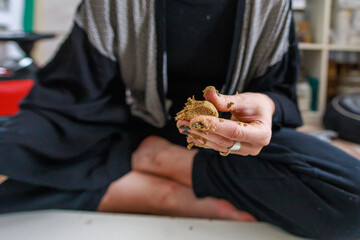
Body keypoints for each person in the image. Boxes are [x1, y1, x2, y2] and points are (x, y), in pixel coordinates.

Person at [0, 0, 359, 239]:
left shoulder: (268, 5)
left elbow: (279, 95)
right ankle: (144, 192)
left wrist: (265, 107)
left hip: (225, 147)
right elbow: (67, 99)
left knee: (352, 204)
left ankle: (169, 165)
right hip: (122, 134)